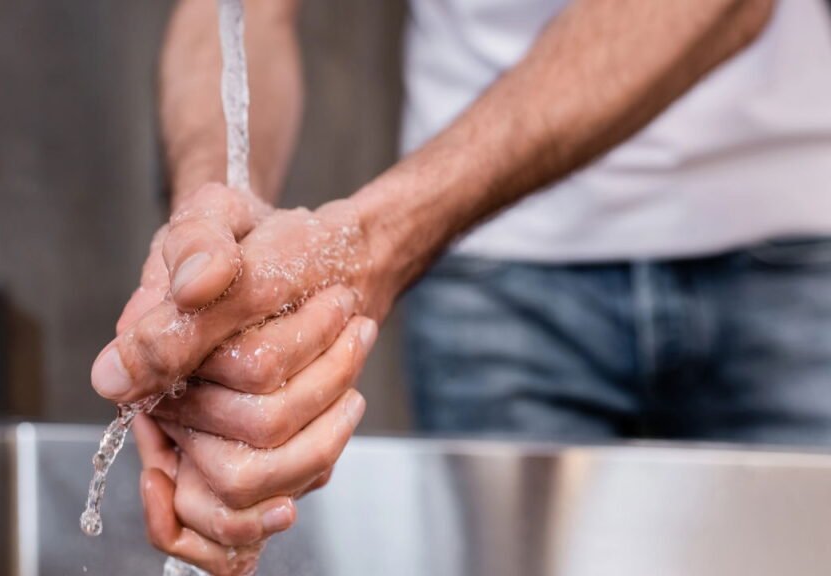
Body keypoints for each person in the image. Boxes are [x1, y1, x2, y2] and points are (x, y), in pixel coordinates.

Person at [90, 0, 831, 573]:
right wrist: (208, 243)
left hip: (784, 241)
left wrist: (378, 240)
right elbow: (237, 15)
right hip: (494, 266)